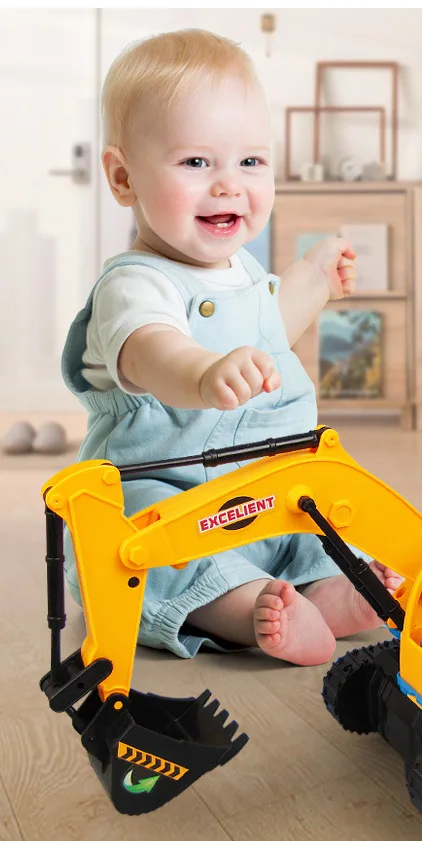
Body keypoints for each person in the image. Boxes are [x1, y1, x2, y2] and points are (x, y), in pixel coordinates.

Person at [61, 28, 400, 667]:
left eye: (250, 162)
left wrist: (313, 278)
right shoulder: (135, 285)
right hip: (170, 497)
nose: (228, 185)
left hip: (266, 491)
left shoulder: (241, 270)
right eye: (196, 163)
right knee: (142, 547)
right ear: (124, 177)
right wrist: (202, 372)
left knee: (320, 522)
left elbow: (269, 327)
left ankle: (332, 589)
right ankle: (247, 612)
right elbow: (151, 350)